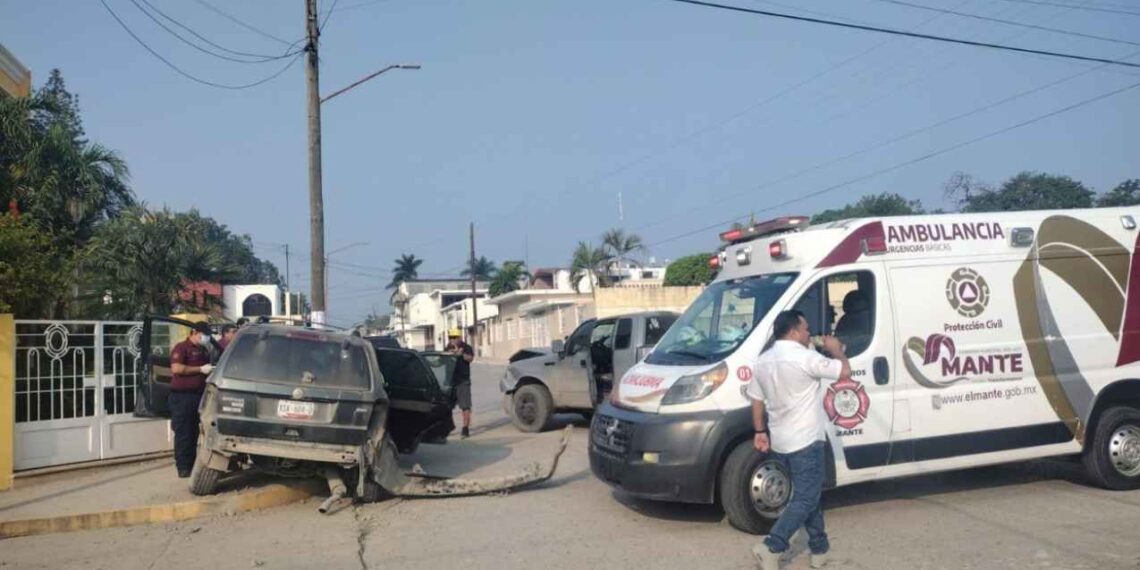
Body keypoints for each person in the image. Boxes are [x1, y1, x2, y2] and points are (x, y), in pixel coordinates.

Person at [746, 310, 850, 570]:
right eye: (805, 329)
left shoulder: (763, 361)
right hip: (806, 440)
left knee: (809, 496)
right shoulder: (806, 358)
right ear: (793, 332)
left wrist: (759, 432)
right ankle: (772, 546)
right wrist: (837, 350)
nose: (808, 333)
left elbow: (756, 399)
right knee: (805, 498)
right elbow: (845, 372)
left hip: (781, 441)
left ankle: (820, 549)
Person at [169, 322, 215, 478]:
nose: (206, 338)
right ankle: (183, 467)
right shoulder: (181, 348)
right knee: (184, 432)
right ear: (194, 332)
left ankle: (192, 464)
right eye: (204, 334)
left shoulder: (203, 350)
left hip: (198, 395)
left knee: (194, 432)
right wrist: (200, 369)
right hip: (182, 397)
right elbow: (176, 368)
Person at [446, 328, 475, 438]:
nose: (452, 340)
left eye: (454, 337)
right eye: (450, 337)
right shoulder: (447, 348)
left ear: (459, 338)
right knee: (447, 406)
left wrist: (461, 354)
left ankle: (465, 428)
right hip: (450, 381)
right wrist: (450, 354)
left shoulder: (466, 347)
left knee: (465, 406)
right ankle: (448, 427)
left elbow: (470, 358)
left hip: (463, 381)